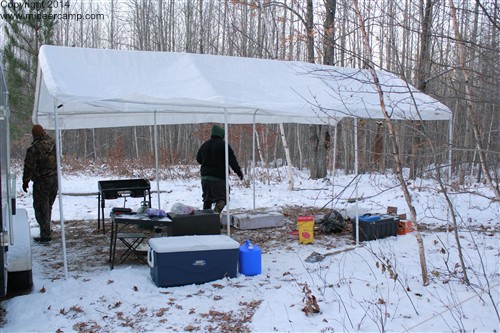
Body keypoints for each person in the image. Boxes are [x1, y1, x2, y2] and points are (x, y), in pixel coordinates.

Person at [22, 124, 58, 243]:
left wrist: (25, 181)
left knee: (40, 208)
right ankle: (46, 229)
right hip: (54, 180)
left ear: (34, 135)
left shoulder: (34, 148)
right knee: (48, 206)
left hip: (42, 182)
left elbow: (29, 166)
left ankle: (45, 234)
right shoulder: (53, 143)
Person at [196, 125, 243, 213]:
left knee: (207, 200)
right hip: (218, 178)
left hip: (205, 178)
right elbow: (231, 160)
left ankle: (205, 220)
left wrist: (207, 162)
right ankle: (214, 217)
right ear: (221, 134)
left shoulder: (205, 145)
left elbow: (198, 159)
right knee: (223, 199)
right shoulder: (223, 145)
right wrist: (238, 171)